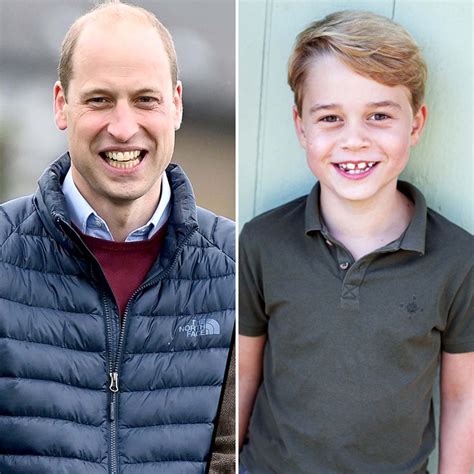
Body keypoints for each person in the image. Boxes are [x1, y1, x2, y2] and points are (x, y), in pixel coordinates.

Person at [0, 2, 235, 473]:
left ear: (177, 104)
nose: (123, 128)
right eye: (99, 100)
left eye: (145, 99)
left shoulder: (235, 266)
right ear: (61, 105)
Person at [239, 10, 473, 474]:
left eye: (379, 115)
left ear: (416, 123)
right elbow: (243, 372)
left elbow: (463, 396)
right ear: (301, 126)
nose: (354, 140)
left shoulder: (458, 260)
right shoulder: (262, 243)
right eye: (330, 117)